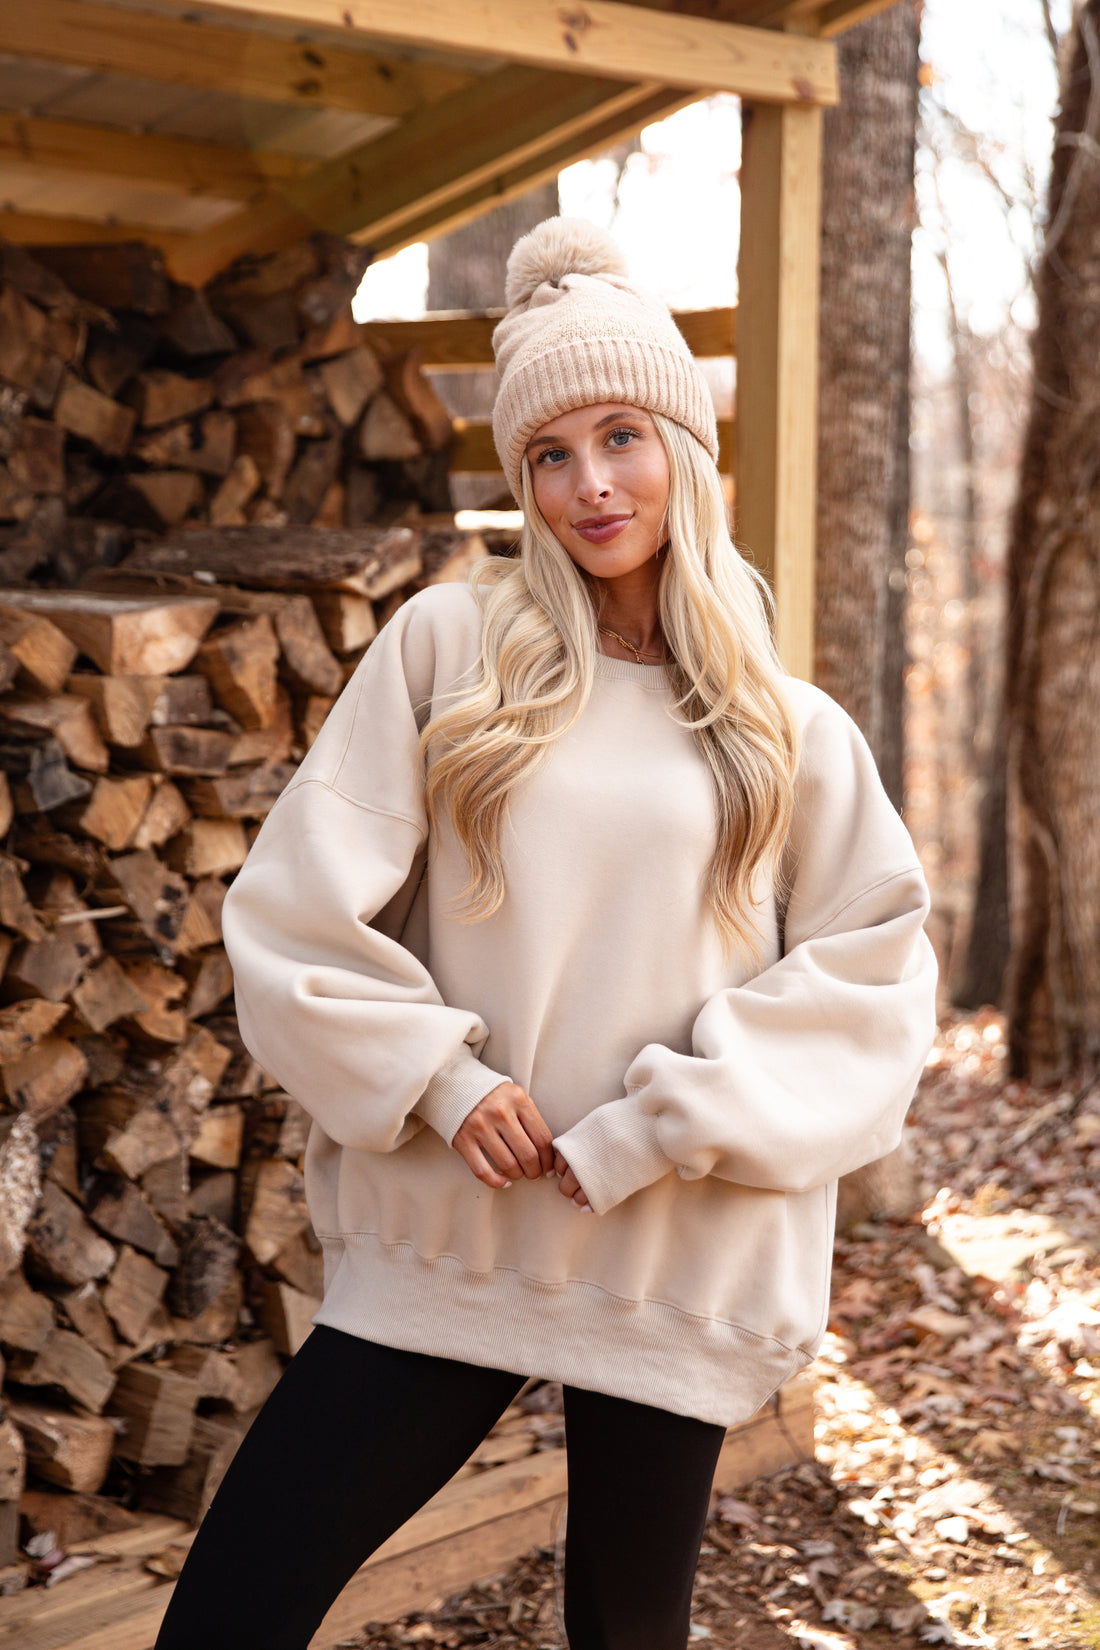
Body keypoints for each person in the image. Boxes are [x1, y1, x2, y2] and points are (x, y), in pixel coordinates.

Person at [154, 217, 939, 1650]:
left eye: (623, 436)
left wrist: (655, 1125)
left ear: (684, 448)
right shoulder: (447, 650)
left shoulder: (792, 729)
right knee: (234, 1608)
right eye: (552, 455)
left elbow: (872, 987)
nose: (592, 486)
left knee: (626, 1634)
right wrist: (442, 1079)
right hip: (451, 1233)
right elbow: (291, 912)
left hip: (674, 1249)